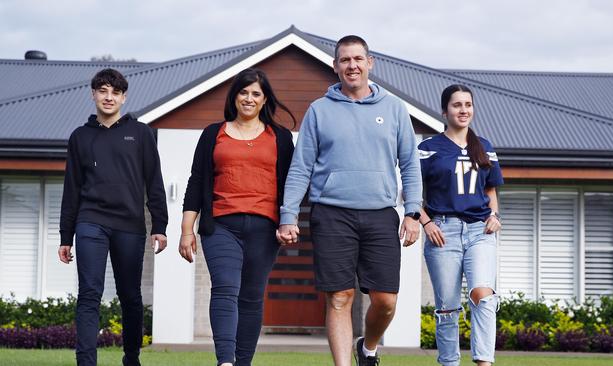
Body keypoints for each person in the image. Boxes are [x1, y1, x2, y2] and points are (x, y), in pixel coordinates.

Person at [277, 35, 422, 366]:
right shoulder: (319, 111)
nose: (352, 65)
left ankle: (367, 347)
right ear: (335, 66)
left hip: (381, 214)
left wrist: (413, 212)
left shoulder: (394, 109)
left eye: (358, 59)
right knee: (339, 297)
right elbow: (301, 168)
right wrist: (288, 216)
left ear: (370, 63)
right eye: (345, 60)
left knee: (386, 301)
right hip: (331, 214)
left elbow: (410, 165)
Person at [178, 68, 296, 366]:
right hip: (220, 226)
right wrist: (186, 229)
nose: (249, 98)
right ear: (235, 96)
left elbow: (292, 183)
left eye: (256, 93)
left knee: (252, 297)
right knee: (225, 288)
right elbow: (196, 182)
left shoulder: (280, 137)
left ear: (264, 99)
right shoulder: (212, 134)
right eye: (244, 92)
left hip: (264, 228)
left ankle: (243, 362)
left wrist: (288, 220)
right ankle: (225, 362)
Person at [58, 68, 168, 366]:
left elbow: (154, 182)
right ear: (93, 94)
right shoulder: (80, 137)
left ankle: (131, 358)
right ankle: (86, 362)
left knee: (130, 295)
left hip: (129, 226)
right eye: (103, 91)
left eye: (115, 93)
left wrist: (160, 225)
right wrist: (65, 236)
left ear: (124, 97)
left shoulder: (141, 133)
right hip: (90, 221)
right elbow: (72, 189)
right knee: (89, 293)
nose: (109, 97)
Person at [418, 84, 503, 366]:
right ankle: (449, 363)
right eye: (457, 105)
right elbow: (411, 192)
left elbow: (491, 191)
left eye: (468, 104)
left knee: (483, 295)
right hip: (443, 232)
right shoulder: (428, 149)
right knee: (447, 309)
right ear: (445, 111)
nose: (463, 110)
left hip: (480, 231)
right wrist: (426, 223)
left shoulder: (486, 148)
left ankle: (484, 362)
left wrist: (495, 216)